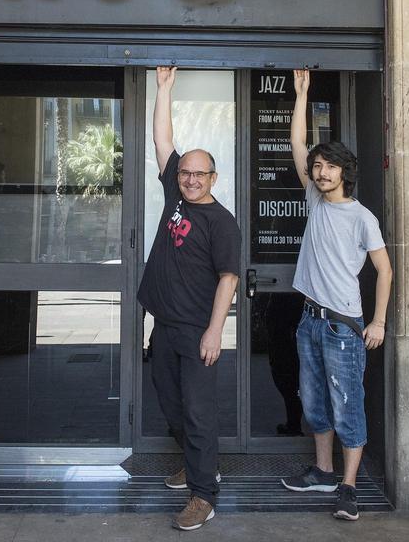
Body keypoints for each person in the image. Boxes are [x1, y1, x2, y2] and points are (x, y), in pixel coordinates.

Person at [280, 69, 392, 522]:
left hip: (344, 326)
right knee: (313, 402)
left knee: (348, 406)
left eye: (329, 166)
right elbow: (296, 146)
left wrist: (378, 322)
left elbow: (385, 271)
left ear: (345, 172)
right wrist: (302, 95)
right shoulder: (313, 198)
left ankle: (348, 487)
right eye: (318, 166)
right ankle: (324, 470)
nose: (320, 171)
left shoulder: (362, 218)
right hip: (310, 319)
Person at [137, 66, 241, 531]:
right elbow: (162, 139)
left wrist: (216, 331)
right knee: (171, 405)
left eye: (200, 174)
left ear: (214, 178)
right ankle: (201, 467)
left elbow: (228, 278)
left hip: (199, 332)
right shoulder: (174, 198)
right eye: (185, 173)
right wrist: (163, 90)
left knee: (199, 415)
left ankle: (204, 494)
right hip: (165, 328)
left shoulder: (222, 222)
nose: (191, 179)